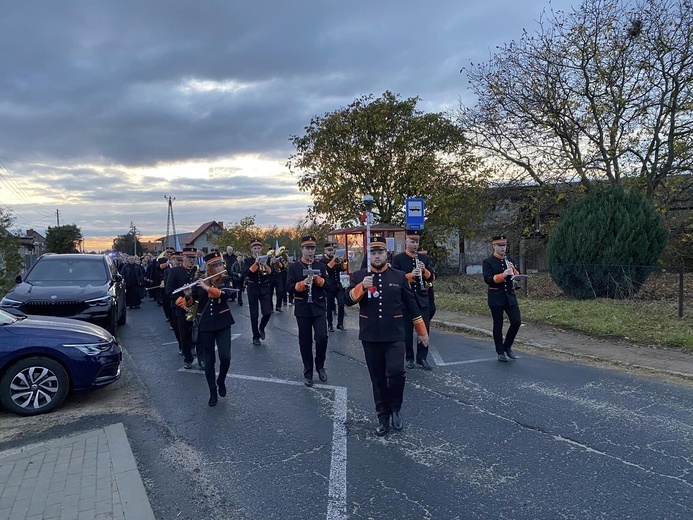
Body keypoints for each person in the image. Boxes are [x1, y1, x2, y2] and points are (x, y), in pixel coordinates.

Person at [346, 236, 429, 436]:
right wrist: (361, 287)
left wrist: (421, 331)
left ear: (387, 254)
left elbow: (411, 305)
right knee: (377, 378)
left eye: (380, 252)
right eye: (373, 253)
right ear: (369, 256)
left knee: (397, 373)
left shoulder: (399, 276)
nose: (377, 256)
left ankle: (396, 409)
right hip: (371, 336)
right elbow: (346, 301)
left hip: (395, 335)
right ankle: (382, 416)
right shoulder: (360, 276)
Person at [186, 251, 235, 407]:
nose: (219, 268)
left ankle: (221, 380)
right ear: (209, 268)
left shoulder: (226, 279)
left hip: (223, 322)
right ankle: (212, 391)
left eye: (220, 265)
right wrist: (188, 295)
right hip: (205, 324)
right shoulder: (199, 281)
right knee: (209, 360)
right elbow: (191, 304)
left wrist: (207, 288)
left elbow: (225, 295)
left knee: (225, 357)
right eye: (215, 266)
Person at [286, 236, 330, 387]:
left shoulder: (321, 266)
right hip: (302, 307)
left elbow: (329, 285)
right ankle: (308, 371)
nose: (310, 251)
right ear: (302, 249)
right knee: (305, 341)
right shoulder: (294, 267)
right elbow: (289, 287)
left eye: (312, 248)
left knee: (322, 337)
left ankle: (320, 365)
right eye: (307, 248)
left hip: (318, 306)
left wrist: (319, 280)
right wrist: (302, 284)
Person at [391, 229, 436, 370]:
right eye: (412, 242)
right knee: (407, 331)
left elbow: (432, 277)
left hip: (422, 299)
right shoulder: (398, 259)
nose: (415, 245)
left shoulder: (423, 258)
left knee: (424, 329)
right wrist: (410, 275)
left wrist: (424, 271)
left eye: (417, 242)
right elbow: (395, 279)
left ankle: (422, 358)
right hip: (406, 300)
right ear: (406, 241)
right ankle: (409, 358)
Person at [482, 235, 521, 362]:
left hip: (509, 296)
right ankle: (500, 351)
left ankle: (507, 346)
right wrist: (503, 275)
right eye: (500, 246)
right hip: (496, 297)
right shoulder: (488, 262)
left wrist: (513, 269)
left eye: (504, 245)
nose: (503, 248)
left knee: (516, 321)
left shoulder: (509, 259)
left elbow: (517, 275)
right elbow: (488, 279)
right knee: (498, 325)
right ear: (494, 246)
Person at [166, 247, 202, 369]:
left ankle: (201, 359)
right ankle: (188, 358)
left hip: (197, 305)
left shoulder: (198, 271)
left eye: (194, 258)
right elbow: (170, 291)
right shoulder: (175, 272)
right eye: (189, 258)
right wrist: (184, 303)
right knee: (185, 334)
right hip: (182, 308)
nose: (192, 260)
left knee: (200, 333)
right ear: (183, 258)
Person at [243, 239, 273, 346]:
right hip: (253, 288)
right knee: (254, 314)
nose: (257, 250)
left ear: (261, 249)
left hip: (264, 288)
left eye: (259, 248)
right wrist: (256, 264)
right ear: (251, 249)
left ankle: (262, 327)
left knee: (267, 312)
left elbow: (271, 273)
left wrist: (265, 265)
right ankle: (255, 336)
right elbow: (246, 273)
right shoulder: (248, 260)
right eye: (255, 248)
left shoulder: (266, 259)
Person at [319, 242, 347, 332]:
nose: (332, 252)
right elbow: (326, 269)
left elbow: (343, 269)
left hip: (338, 285)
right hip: (329, 286)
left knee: (341, 304)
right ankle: (330, 324)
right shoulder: (322, 261)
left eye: (333, 250)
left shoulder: (336, 259)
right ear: (325, 251)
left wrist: (343, 261)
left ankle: (340, 324)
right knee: (329, 306)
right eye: (330, 250)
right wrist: (334, 261)